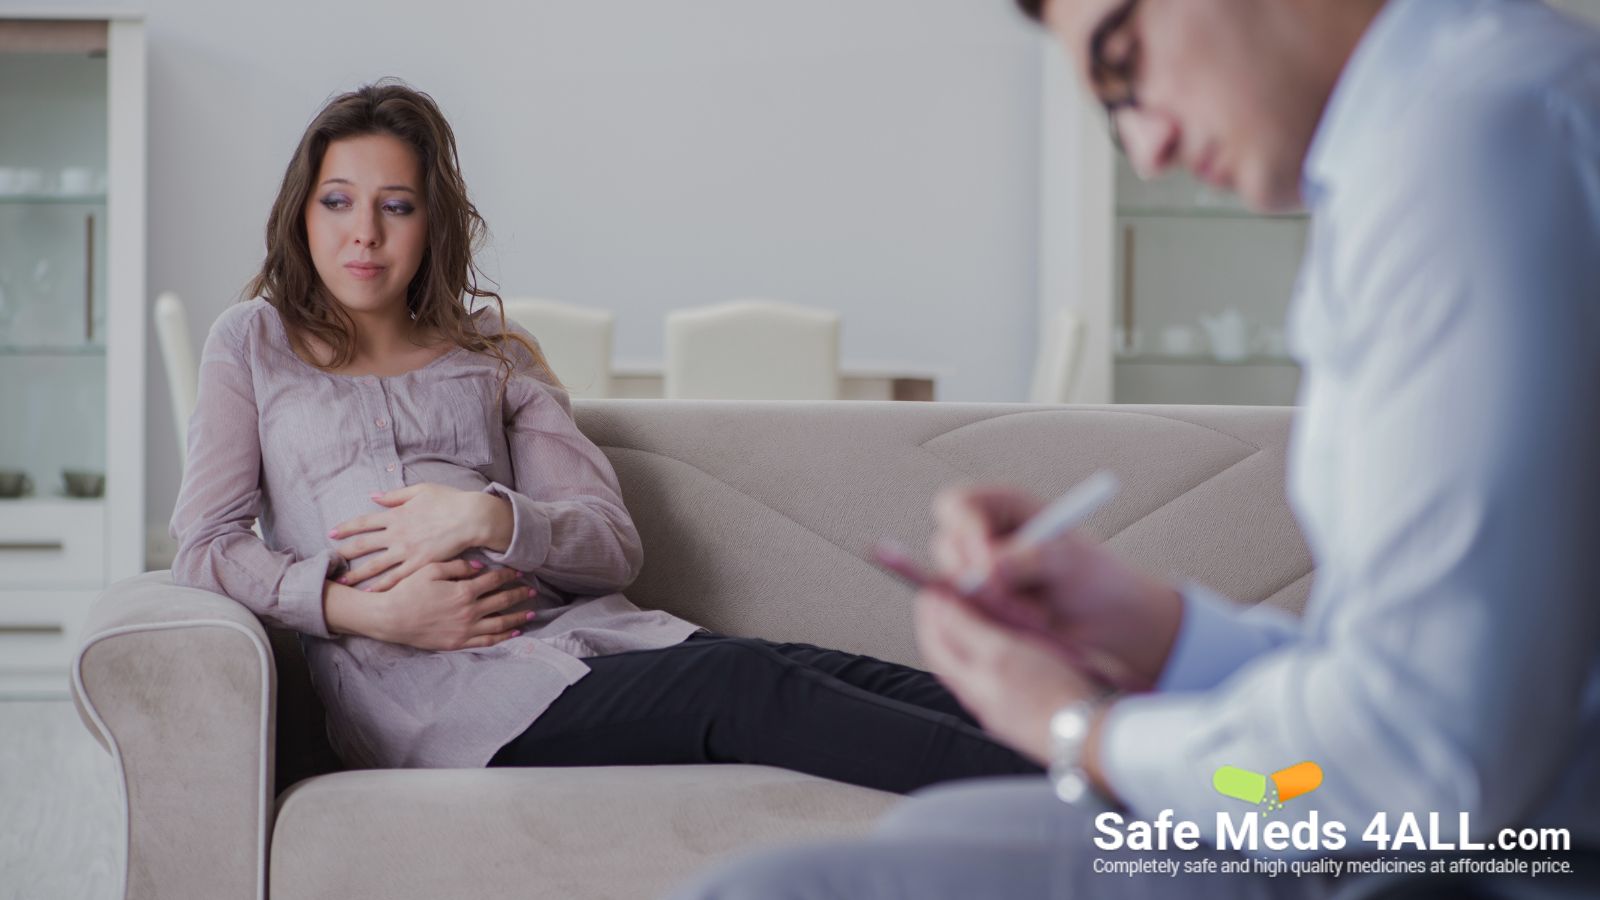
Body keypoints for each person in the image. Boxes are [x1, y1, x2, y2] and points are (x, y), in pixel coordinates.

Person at [671, 0, 1600, 896]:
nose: (1149, 149)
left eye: (1123, 59)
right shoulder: (1433, 138)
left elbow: (1419, 764)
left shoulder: (1473, 151)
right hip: (1459, 820)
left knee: (782, 888)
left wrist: (1085, 732)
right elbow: (1403, 699)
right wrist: (1150, 627)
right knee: (943, 832)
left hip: (1504, 854)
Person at [169, 81, 1039, 792]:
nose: (364, 231)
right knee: (748, 686)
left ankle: (1101, 732)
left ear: (431, 224)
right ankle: (1097, 805)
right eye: (338, 201)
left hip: (585, 642)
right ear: (303, 211)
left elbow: (609, 543)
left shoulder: (493, 356)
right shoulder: (253, 343)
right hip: (434, 696)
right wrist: (370, 610)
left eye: (396, 205)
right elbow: (204, 547)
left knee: (814, 668)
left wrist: (483, 517)